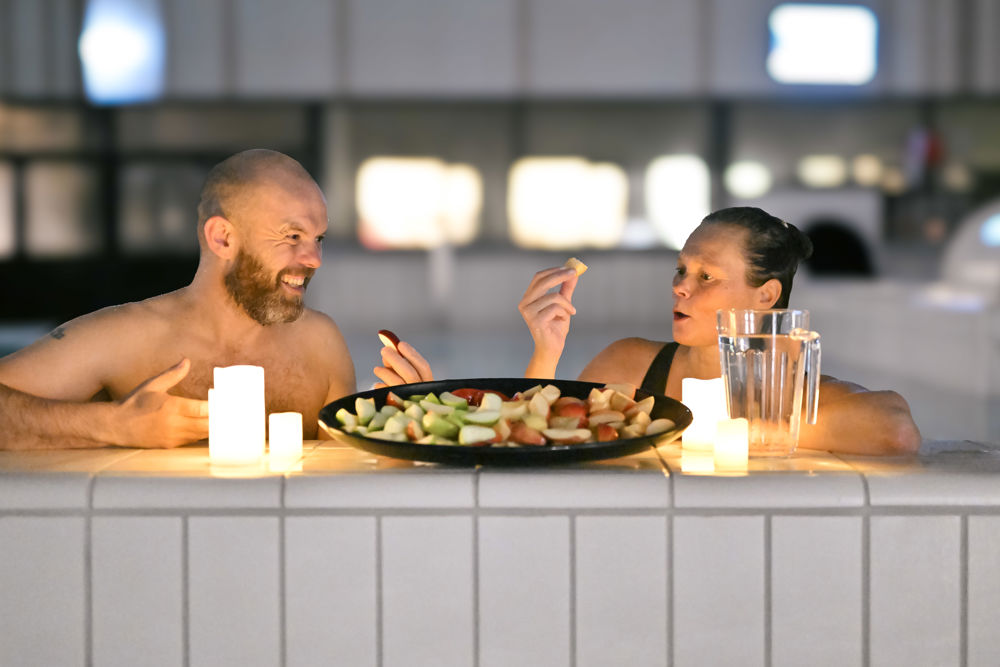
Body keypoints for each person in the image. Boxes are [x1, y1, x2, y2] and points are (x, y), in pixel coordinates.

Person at [375, 206, 921, 456]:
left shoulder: (797, 398)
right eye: (681, 270)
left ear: (766, 296)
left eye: (706, 276)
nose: (681, 286)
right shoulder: (631, 366)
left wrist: (721, 423)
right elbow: (537, 439)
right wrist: (546, 352)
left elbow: (896, 431)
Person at [0, 149, 356, 450]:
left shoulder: (321, 344)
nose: (314, 259)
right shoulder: (124, 338)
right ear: (222, 238)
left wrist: (389, 413)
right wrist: (112, 425)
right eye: (292, 236)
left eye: (318, 239)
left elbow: (342, 480)